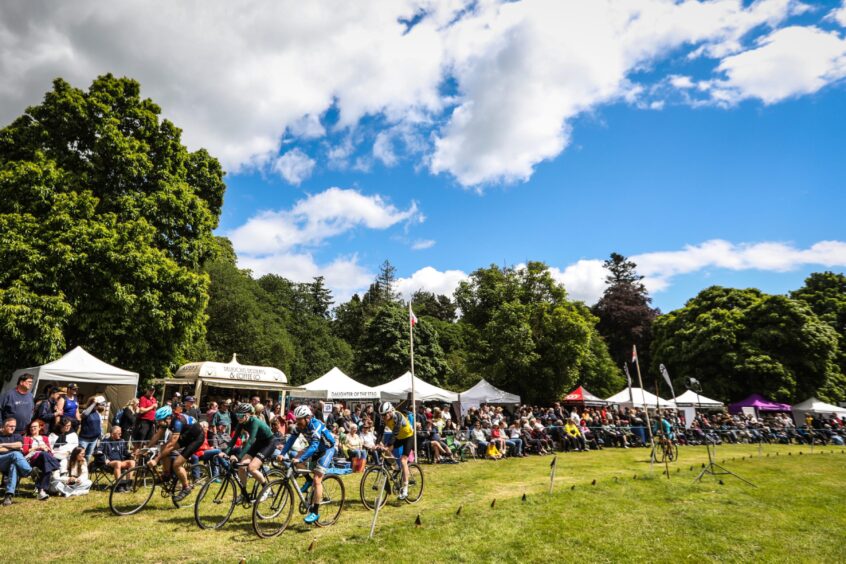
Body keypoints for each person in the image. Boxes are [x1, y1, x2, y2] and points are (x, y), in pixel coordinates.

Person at [277, 405, 336, 524]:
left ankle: (315, 511)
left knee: (317, 479)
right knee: (296, 457)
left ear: (307, 418)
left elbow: (314, 446)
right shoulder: (299, 425)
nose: (297, 423)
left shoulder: (316, 425)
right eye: (296, 420)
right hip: (315, 448)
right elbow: (291, 440)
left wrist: (301, 459)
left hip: (327, 449)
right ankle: (307, 479)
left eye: (299, 420)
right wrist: (282, 453)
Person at [145, 405, 204, 502]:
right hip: (185, 435)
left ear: (168, 417)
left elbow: (171, 445)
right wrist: (146, 449)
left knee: (177, 464)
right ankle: (166, 475)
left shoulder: (177, 422)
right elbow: (157, 436)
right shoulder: (166, 421)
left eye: (160, 420)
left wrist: (156, 460)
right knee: (163, 448)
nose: (159, 423)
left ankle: (186, 487)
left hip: (196, 438)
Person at [221, 403, 276, 504]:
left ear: (248, 415)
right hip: (259, 442)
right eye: (237, 415)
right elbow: (233, 439)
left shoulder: (255, 421)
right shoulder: (241, 423)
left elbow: (250, 441)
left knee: (251, 468)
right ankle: (243, 494)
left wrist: (238, 456)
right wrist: (226, 452)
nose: (239, 418)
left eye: (241, 415)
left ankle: (267, 489)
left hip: (269, 443)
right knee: (241, 467)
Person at [377, 401, 413, 500]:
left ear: (389, 412)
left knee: (403, 460)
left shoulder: (397, 416)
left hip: (408, 437)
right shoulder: (384, 419)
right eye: (381, 415)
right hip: (399, 438)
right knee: (385, 451)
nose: (383, 417)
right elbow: (380, 431)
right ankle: (396, 467)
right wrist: (377, 443)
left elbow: (395, 433)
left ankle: (405, 488)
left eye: (384, 415)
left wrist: (388, 445)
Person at [22, 420, 61, 500]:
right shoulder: (27, 438)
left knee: (46, 465)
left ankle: (41, 491)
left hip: (45, 458)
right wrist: (38, 447)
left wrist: (47, 449)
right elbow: (25, 452)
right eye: (31, 427)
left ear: (40, 428)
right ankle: (56, 466)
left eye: (35, 427)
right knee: (44, 455)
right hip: (33, 458)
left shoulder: (45, 438)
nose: (33, 429)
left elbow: (50, 451)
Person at [0, 417, 32, 506]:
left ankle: (8, 495)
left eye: (14, 426)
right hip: (1, 460)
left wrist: (3, 444)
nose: (13, 428)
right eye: (10, 426)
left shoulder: (17, 436)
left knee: (14, 465)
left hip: (11, 461)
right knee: (15, 454)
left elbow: (19, 445)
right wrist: (13, 447)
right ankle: (29, 472)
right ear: (4, 426)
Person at [99, 426, 135, 491]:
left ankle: (127, 484)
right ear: (113, 434)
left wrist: (130, 454)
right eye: (119, 433)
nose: (121, 435)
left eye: (121, 433)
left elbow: (125, 451)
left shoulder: (121, 441)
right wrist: (104, 458)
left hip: (120, 462)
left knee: (132, 462)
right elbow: (98, 452)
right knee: (118, 463)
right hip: (109, 463)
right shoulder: (105, 442)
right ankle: (119, 485)